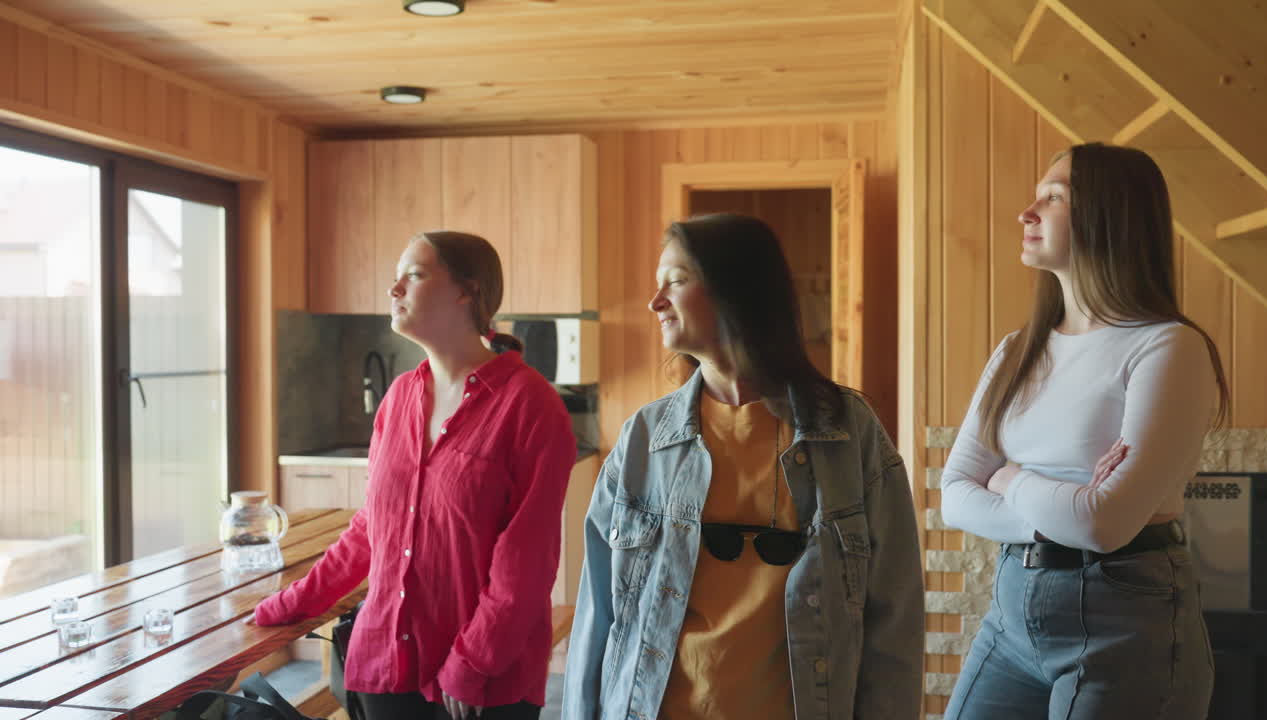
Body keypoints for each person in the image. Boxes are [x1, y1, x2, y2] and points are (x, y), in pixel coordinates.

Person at [561, 213, 924, 720]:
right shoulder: (644, 439)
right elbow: (599, 613)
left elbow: (895, 622)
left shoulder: (848, 433)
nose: (655, 301)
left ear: (736, 291)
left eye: (677, 281)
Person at [940, 143, 1229, 720]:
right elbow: (953, 496)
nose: (1027, 212)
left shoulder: (1167, 347)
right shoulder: (1016, 352)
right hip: (1012, 613)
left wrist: (1011, 477)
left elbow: (1104, 522)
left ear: (1109, 216)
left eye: (1053, 197)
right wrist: (1067, 508)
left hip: (1126, 621)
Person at [254, 231, 577, 720]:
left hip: (480, 686)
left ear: (465, 291)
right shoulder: (399, 398)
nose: (394, 289)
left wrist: (473, 661)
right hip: (384, 667)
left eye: (415, 274)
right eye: (397, 276)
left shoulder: (530, 405)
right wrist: (294, 602)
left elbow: (526, 562)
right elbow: (372, 530)